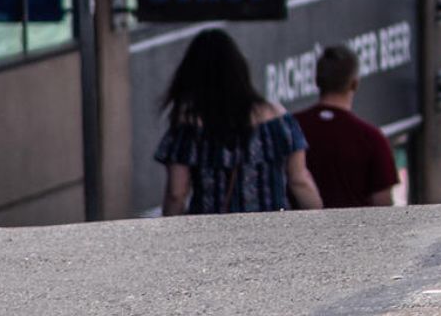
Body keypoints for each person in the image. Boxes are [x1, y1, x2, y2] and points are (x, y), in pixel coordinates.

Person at [156, 27, 321, 215]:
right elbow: (299, 180)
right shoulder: (277, 119)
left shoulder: (188, 127)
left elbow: (177, 193)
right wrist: (318, 224)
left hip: (210, 231)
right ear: (241, 69)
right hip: (272, 229)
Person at [294, 43, 401, 208]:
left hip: (294, 231)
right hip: (357, 231)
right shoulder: (371, 138)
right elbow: (383, 204)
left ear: (316, 81)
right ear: (354, 84)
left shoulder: (291, 127)